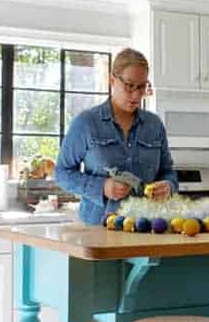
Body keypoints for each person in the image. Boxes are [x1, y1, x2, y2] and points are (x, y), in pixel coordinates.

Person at [55, 48, 178, 225]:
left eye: (142, 86)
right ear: (112, 80)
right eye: (129, 85)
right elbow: (61, 173)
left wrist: (169, 186)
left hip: (146, 227)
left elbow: (168, 172)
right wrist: (102, 187)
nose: (136, 95)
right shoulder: (86, 123)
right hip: (97, 229)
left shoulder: (155, 125)